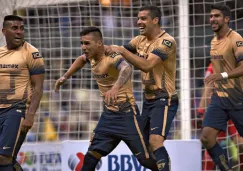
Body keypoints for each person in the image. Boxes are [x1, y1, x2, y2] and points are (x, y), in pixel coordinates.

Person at [55, 26, 158, 171]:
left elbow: (126, 68)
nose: (83, 47)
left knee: (145, 160)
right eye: (82, 43)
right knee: (90, 158)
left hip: (127, 115)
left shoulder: (111, 57)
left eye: (87, 43)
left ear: (99, 43)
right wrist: (65, 77)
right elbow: (80, 60)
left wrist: (115, 87)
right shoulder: (90, 57)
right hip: (108, 116)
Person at [105, 5, 178, 171]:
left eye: (143, 18)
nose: (139, 22)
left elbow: (146, 65)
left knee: (155, 141)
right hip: (148, 100)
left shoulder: (167, 42)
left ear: (155, 20)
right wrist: (98, 50)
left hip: (164, 98)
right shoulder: (139, 40)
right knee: (142, 146)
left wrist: (122, 51)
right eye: (138, 18)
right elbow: (117, 53)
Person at [199, 4, 243, 171]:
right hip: (219, 98)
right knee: (206, 138)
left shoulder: (236, 39)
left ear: (226, 19)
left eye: (217, 16)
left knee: (241, 143)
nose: (212, 19)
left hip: (238, 97)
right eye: (211, 16)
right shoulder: (213, 41)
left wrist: (223, 76)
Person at [0, 15, 45, 171]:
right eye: (14, 28)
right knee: (7, 160)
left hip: (17, 110)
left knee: (4, 157)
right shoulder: (1, 53)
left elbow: (38, 87)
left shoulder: (32, 53)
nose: (19, 32)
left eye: (21, 28)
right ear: (4, 31)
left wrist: (30, 115)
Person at [195, 63, 243, 170]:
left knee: (239, 143)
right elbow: (208, 86)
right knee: (209, 140)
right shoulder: (214, 64)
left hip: (235, 107)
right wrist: (201, 110)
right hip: (218, 109)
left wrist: (201, 110)